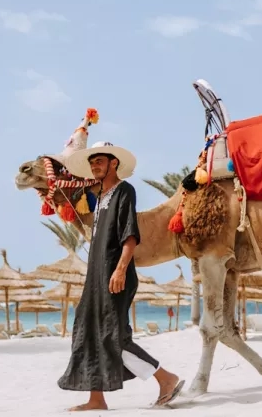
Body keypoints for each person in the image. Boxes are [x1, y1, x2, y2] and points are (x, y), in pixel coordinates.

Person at [56, 141, 183, 411]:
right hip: (96, 276)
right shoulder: (100, 197)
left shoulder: (125, 191)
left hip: (116, 273)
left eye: (99, 161)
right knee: (88, 333)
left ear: (114, 163)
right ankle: (96, 399)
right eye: (92, 162)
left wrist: (121, 268)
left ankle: (165, 378)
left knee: (113, 336)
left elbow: (130, 234)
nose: (94, 166)